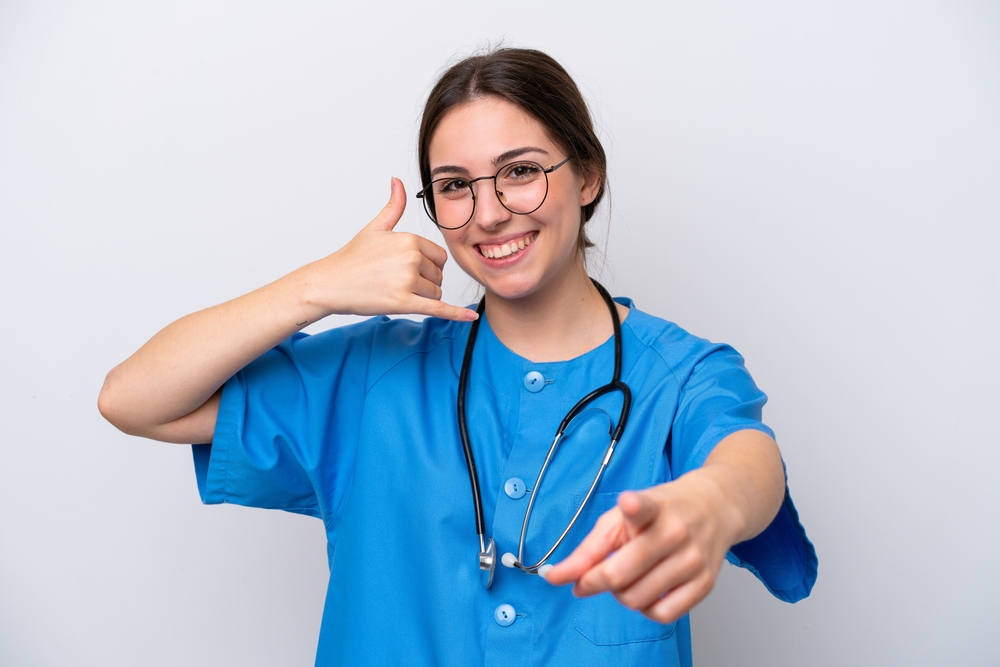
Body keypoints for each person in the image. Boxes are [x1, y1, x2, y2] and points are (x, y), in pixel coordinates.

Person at [98, 47, 816, 666]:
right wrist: (315, 288)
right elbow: (133, 399)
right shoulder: (374, 372)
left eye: (520, 171)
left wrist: (712, 502)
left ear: (588, 176)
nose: (490, 213)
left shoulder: (679, 373)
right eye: (454, 187)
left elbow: (746, 458)